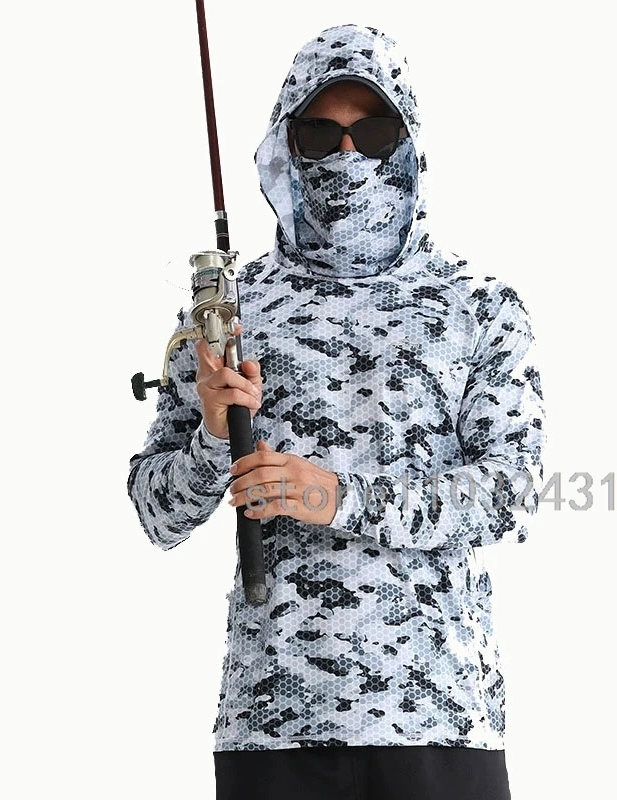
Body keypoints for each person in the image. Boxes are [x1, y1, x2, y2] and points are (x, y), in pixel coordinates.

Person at [128, 23, 545, 800]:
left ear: (408, 144)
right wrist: (213, 438)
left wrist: (339, 497)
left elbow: (511, 494)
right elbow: (158, 516)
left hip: (440, 719)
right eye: (320, 135)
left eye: (374, 132)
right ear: (286, 146)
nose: (348, 157)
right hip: (272, 725)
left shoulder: (480, 307)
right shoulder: (228, 315)